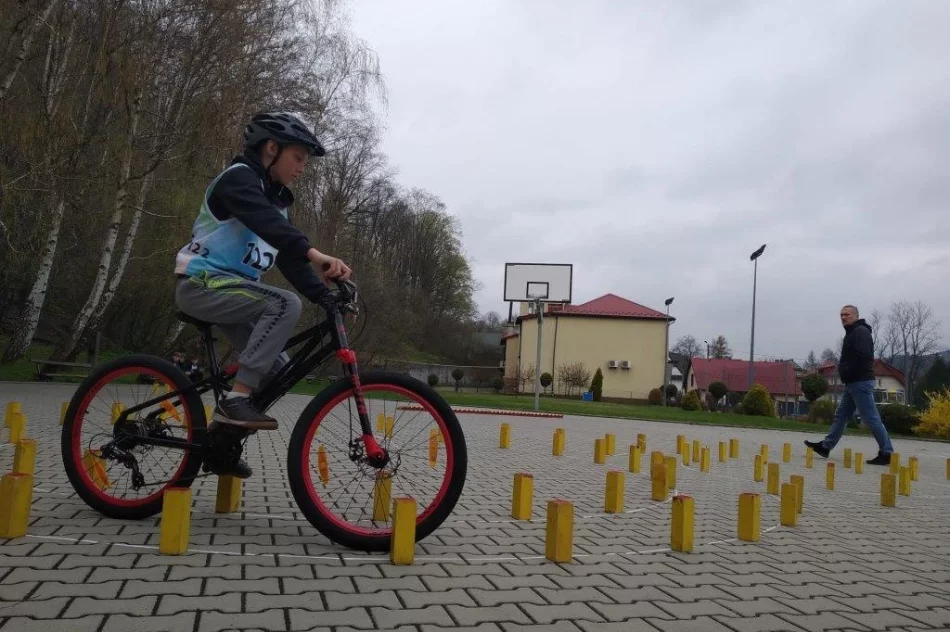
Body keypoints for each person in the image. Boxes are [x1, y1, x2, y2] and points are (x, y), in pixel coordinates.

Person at [174, 111, 351, 477]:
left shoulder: (275, 204)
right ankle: (235, 399)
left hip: (235, 293)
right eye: (298, 158)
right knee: (284, 303)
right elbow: (268, 224)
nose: (302, 168)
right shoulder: (238, 179)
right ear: (272, 148)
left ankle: (217, 445)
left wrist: (325, 295)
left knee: (277, 373)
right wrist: (315, 253)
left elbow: (287, 253)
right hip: (202, 282)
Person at [805, 304, 893, 465]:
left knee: (871, 418)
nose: (843, 317)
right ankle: (826, 446)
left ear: (856, 316)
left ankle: (887, 452)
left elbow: (863, 357)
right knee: (842, 415)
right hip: (853, 382)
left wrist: (846, 371)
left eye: (847, 314)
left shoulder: (860, 332)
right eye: (841, 315)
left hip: (860, 381)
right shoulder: (852, 333)